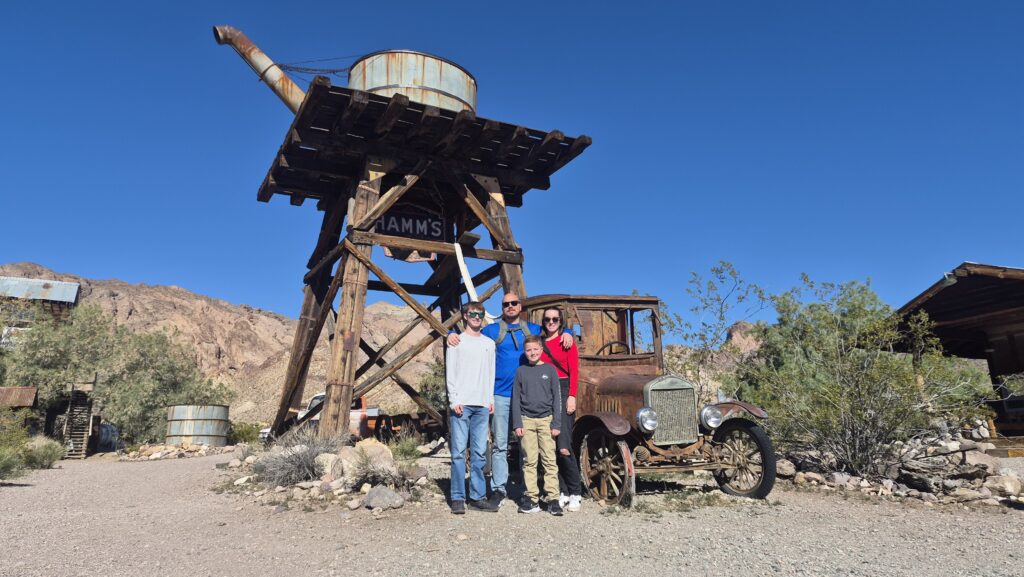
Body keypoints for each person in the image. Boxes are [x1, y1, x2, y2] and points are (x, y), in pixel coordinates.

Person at [446, 292, 573, 508]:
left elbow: (553, 332)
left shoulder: (532, 329)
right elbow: (470, 334)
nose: (510, 306)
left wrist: (568, 331)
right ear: (502, 308)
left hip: (527, 398)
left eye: (514, 303)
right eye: (506, 304)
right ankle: (498, 489)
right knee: (500, 445)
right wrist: (449, 333)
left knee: (528, 447)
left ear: (520, 306)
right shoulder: (492, 330)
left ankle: (529, 491)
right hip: (501, 395)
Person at [445, 301, 497, 514]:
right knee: (458, 452)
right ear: (465, 316)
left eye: (480, 314)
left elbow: (490, 372)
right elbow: (451, 372)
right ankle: (458, 497)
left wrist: (490, 399)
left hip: (482, 405)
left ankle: (477, 496)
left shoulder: (489, 343)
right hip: (462, 404)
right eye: (473, 313)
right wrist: (453, 399)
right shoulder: (457, 341)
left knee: (479, 453)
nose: (477, 317)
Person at [511, 334, 563, 515]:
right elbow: (515, 399)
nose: (532, 353)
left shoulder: (550, 370)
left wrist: (556, 423)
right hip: (526, 420)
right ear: (524, 352)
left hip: (546, 421)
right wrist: (517, 423)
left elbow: (557, 398)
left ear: (541, 350)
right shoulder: (521, 371)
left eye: (535, 349)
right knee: (529, 460)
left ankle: (553, 499)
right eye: (528, 350)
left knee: (549, 459)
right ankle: (531, 498)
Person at [539, 307, 583, 512]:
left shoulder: (567, 341)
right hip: (546, 392)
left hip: (565, 389)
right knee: (551, 445)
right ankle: (562, 490)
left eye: (555, 319)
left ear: (560, 321)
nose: (551, 322)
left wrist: (572, 395)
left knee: (564, 445)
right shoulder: (539, 344)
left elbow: (574, 370)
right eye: (547, 319)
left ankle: (576, 492)